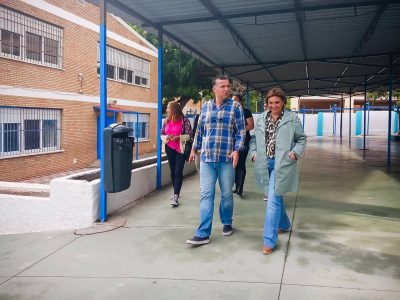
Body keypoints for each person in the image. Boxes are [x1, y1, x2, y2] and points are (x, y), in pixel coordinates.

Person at [186, 75, 246, 245]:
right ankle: (203, 232)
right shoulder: (206, 106)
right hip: (207, 158)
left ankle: (227, 221)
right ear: (214, 89)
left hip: (226, 159)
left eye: (228, 86)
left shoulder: (235, 107)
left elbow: (240, 131)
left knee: (227, 194)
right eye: (223, 86)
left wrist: (236, 150)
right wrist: (194, 148)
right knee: (206, 195)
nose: (226, 89)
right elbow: (200, 130)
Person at [249, 87, 307, 255]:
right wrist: (253, 153)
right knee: (277, 196)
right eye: (270, 102)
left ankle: (269, 240)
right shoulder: (261, 118)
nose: (273, 105)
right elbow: (253, 139)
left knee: (272, 200)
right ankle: (284, 224)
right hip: (264, 163)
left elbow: (301, 139)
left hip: (282, 163)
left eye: (277, 102)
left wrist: (295, 153)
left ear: (283, 102)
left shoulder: (292, 118)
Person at [161, 101, 193, 207]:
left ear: (173, 109)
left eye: (168, 108)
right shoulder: (166, 121)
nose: (166, 110)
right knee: (172, 171)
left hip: (180, 148)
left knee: (178, 171)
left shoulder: (185, 120)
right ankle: (176, 190)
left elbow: (189, 135)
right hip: (169, 147)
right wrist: (167, 137)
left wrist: (179, 137)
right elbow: (161, 134)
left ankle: (175, 195)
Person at [232, 94, 254, 196]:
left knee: (240, 163)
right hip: (232, 142)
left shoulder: (246, 112)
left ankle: (240, 187)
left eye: (236, 100)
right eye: (232, 101)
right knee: (234, 164)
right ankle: (236, 185)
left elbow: (251, 125)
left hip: (244, 141)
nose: (234, 103)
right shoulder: (231, 112)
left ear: (241, 102)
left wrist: (239, 129)